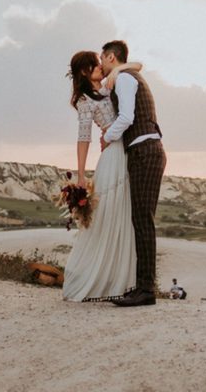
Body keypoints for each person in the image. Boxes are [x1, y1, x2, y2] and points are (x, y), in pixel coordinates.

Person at [61, 51, 136, 302]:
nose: (99, 67)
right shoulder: (85, 101)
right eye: (94, 64)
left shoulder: (109, 85)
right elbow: (84, 139)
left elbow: (137, 65)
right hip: (113, 154)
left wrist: (116, 70)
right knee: (108, 213)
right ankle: (97, 281)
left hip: (126, 148)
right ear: (85, 71)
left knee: (124, 212)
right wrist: (81, 175)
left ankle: (120, 280)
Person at [100, 39, 166, 307]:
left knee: (143, 220)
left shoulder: (126, 79)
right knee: (140, 219)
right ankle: (142, 286)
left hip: (145, 151)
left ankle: (146, 290)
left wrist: (108, 136)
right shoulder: (126, 75)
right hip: (144, 150)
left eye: (102, 58)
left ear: (111, 57)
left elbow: (126, 117)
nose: (101, 64)